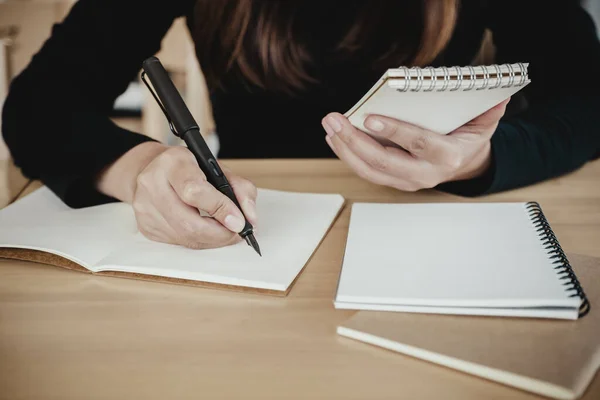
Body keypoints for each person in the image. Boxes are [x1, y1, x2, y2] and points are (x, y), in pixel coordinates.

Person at [2, 0, 600, 250]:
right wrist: (139, 169)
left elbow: (588, 96)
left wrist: (481, 160)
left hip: (444, 226)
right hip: (262, 221)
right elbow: (38, 102)